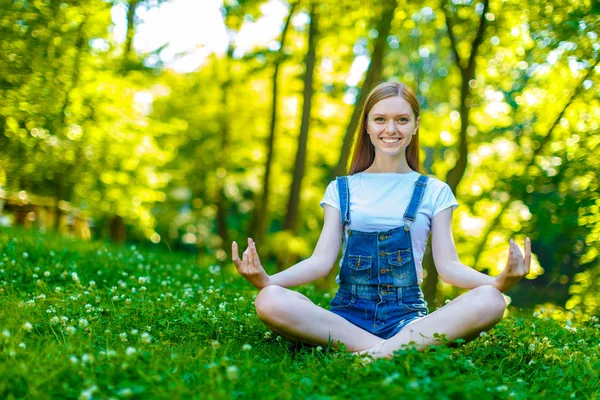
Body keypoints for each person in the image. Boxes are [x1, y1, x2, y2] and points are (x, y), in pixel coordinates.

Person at [231, 81, 532, 360]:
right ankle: (393, 352)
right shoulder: (341, 188)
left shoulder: (435, 191)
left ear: (415, 126)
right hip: (347, 316)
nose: (391, 128)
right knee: (269, 300)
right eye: (380, 119)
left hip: (407, 317)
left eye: (402, 119)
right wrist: (268, 281)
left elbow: (449, 268)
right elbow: (321, 261)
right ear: (367, 126)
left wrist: (498, 282)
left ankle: (369, 355)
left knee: (492, 301)